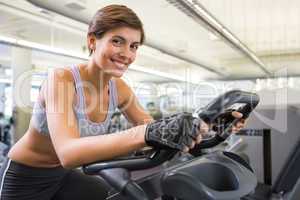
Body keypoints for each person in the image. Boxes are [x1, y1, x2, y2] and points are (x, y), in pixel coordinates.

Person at [0, 4, 246, 200]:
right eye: (117, 41)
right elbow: (68, 152)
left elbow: (156, 137)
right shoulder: (62, 80)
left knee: (99, 192)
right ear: (93, 41)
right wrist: (148, 133)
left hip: (62, 175)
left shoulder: (119, 88)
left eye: (134, 46)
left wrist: (210, 131)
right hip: (24, 175)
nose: (127, 54)